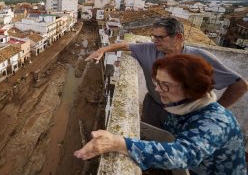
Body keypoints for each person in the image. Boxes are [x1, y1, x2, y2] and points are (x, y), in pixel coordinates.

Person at [75, 54, 247, 175]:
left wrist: (118, 143)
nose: (158, 89)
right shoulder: (181, 105)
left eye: (166, 85)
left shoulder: (216, 122)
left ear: (191, 88)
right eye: (157, 82)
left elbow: (182, 154)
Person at [85, 17, 248, 128]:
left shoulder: (199, 58)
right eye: (153, 36)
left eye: (160, 37)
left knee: (177, 152)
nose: (154, 41)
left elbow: (240, 85)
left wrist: (217, 110)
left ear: (178, 37)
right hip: (153, 108)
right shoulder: (150, 49)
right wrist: (102, 50)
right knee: (149, 137)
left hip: (185, 114)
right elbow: (125, 45)